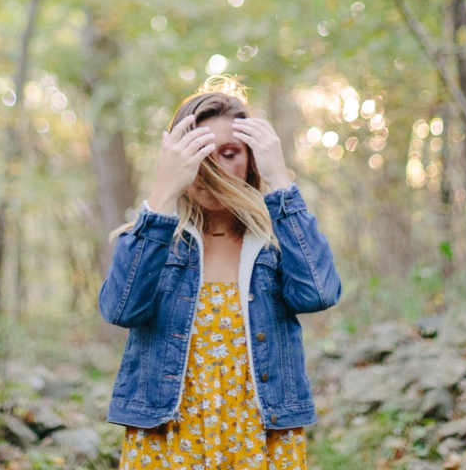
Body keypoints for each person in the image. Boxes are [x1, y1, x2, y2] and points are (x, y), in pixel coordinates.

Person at [99, 85, 342, 469]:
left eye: (229, 154)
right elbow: (120, 309)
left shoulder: (276, 239)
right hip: (169, 433)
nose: (212, 169)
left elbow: (319, 293)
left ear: (250, 161)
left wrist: (279, 178)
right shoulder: (156, 239)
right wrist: (162, 194)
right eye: (198, 155)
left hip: (260, 431)